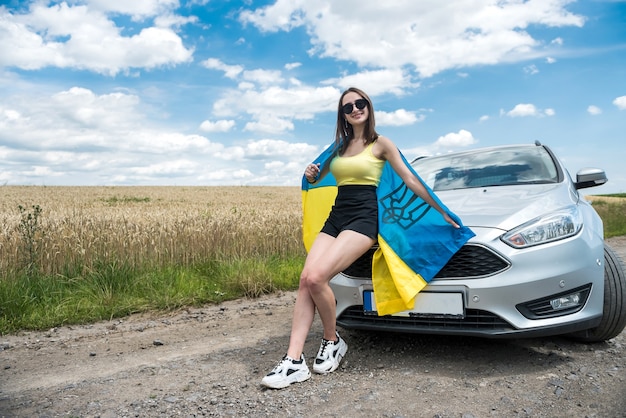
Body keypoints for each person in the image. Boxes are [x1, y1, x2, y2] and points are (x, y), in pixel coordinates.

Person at [261, 87, 461, 389]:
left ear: (369, 106)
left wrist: (441, 209)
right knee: (306, 280)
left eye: (360, 103)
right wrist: (312, 172)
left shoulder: (381, 144)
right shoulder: (339, 145)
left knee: (316, 278)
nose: (355, 109)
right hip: (336, 216)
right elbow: (321, 175)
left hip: (364, 219)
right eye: (348, 107)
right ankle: (294, 361)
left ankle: (332, 340)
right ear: (342, 115)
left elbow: (410, 179)